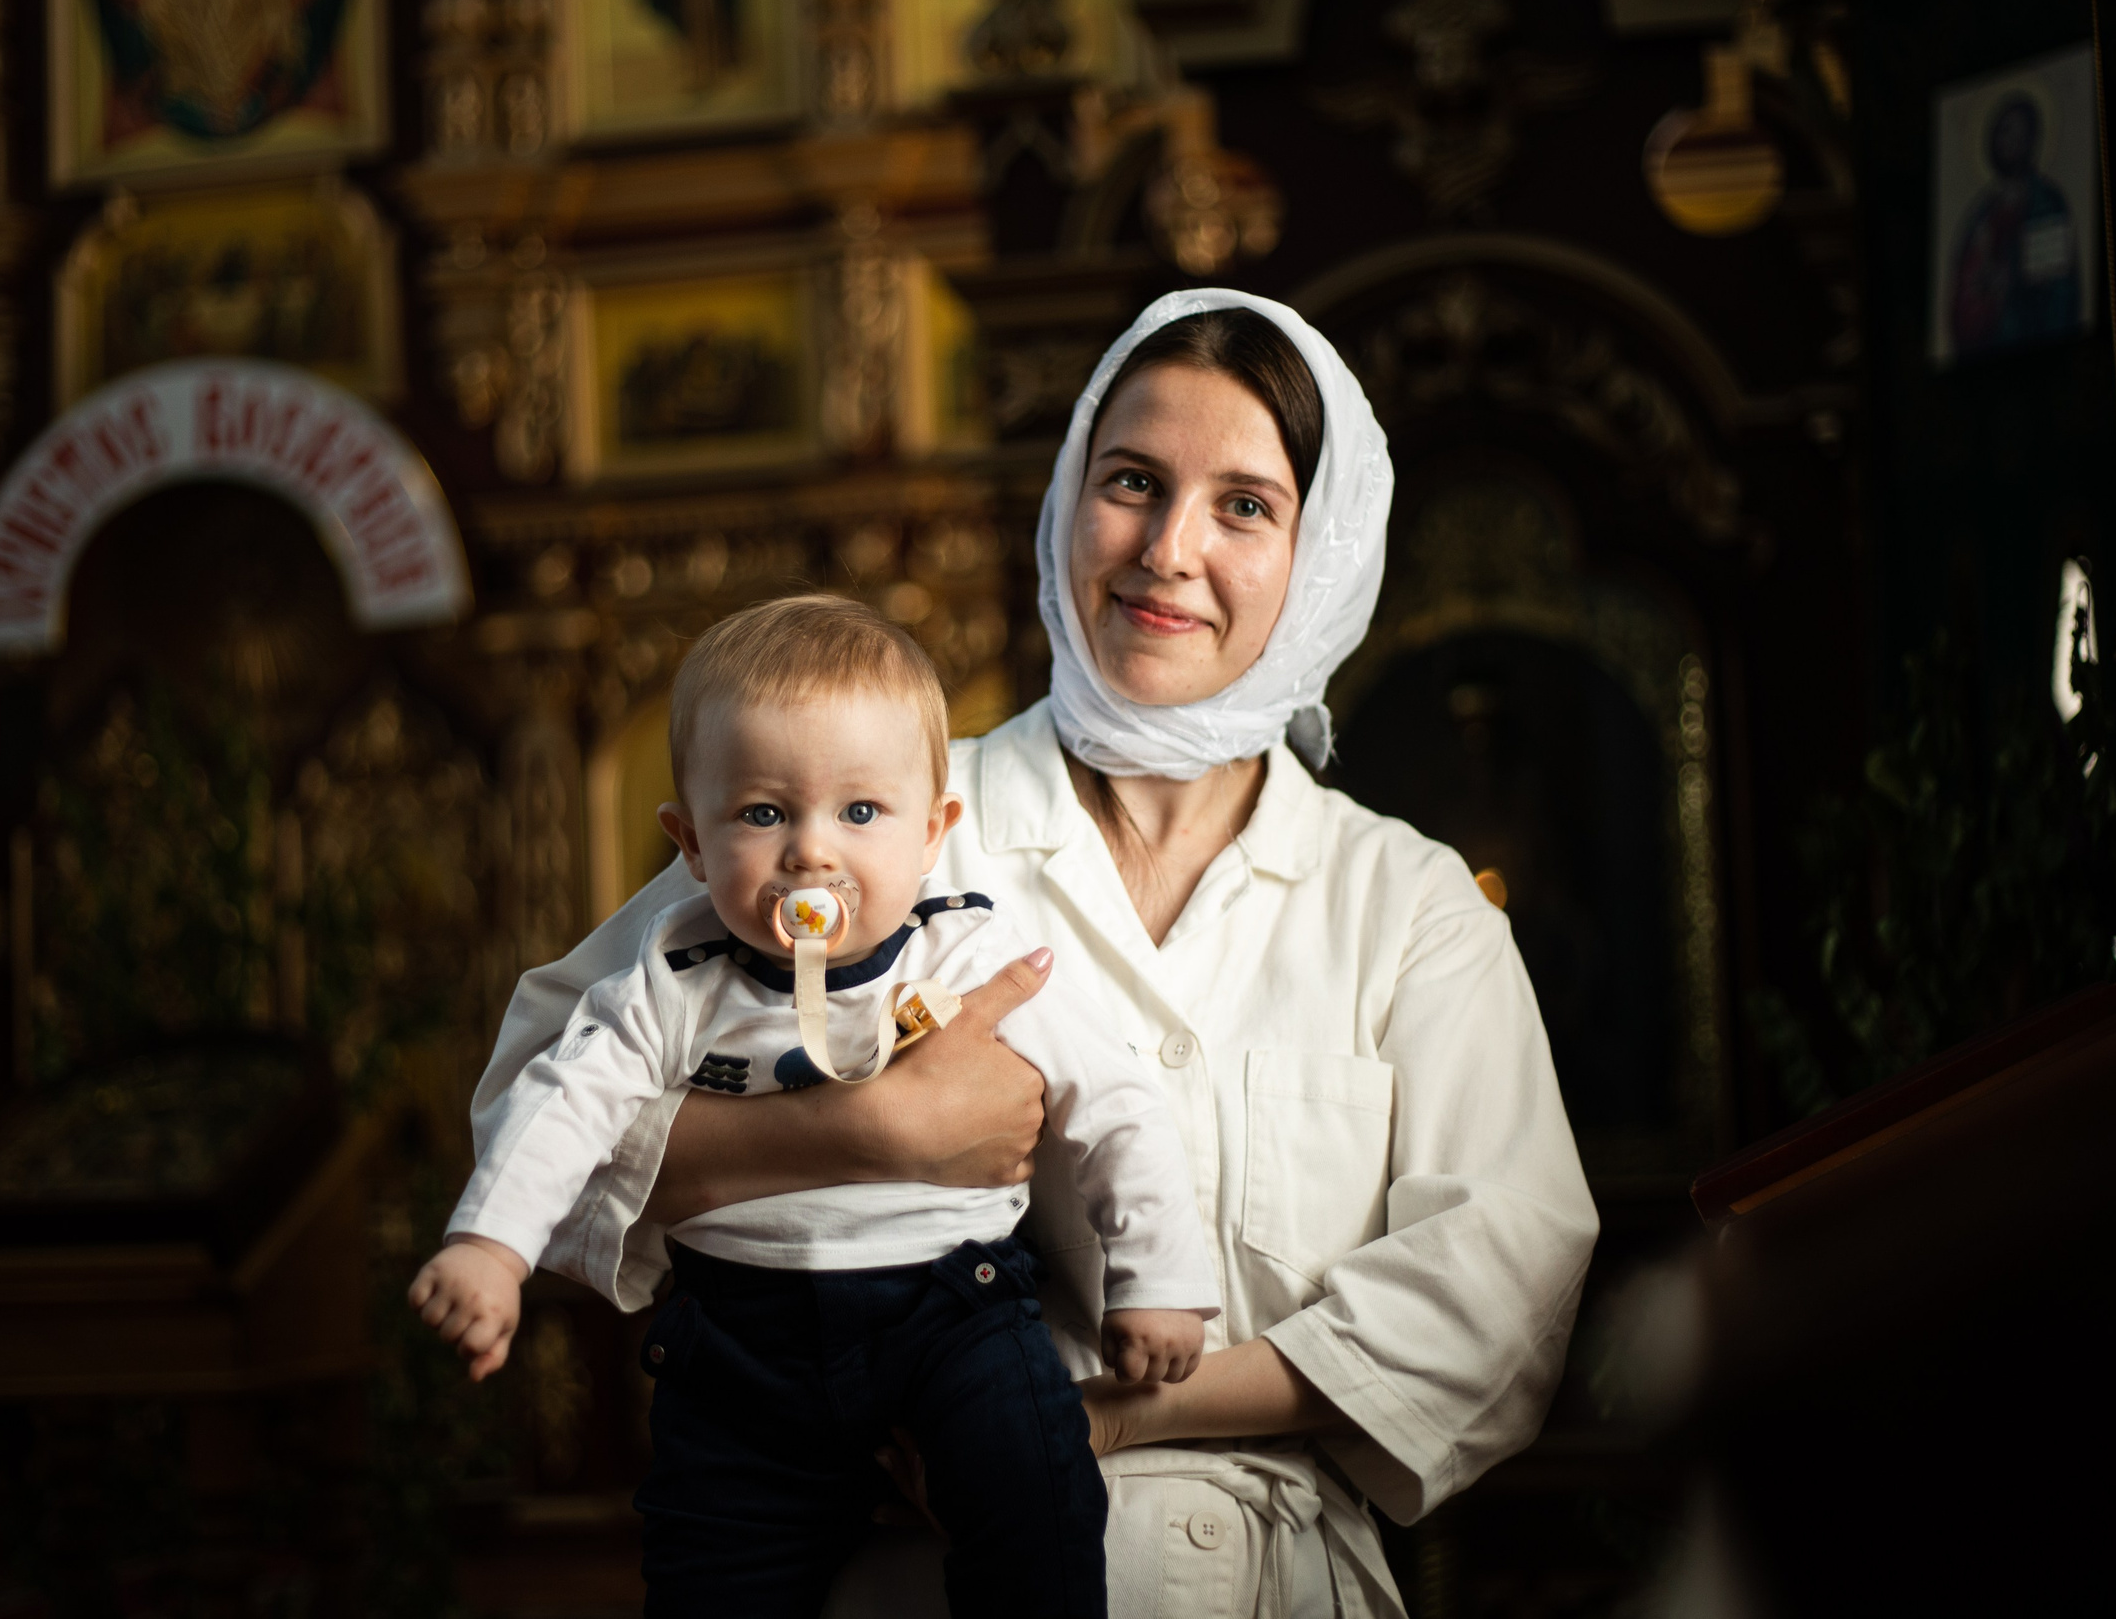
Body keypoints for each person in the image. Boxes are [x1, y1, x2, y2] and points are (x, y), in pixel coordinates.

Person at [472, 289, 1601, 1615]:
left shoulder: (1406, 905)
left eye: (1243, 505)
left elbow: (1498, 1291)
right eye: (1132, 482)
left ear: (1324, 553)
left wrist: (1105, 1415)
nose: (1167, 549)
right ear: (1069, 495)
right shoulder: (871, 815)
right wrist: (863, 1133)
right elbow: (527, 1100)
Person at [412, 594, 1219, 1618]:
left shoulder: (971, 955)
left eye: (860, 812)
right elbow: (561, 1104)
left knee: (1037, 1505)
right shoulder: (670, 979)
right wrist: (491, 1247)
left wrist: (1158, 1281)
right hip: (739, 1342)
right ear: (690, 843)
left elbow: (1117, 1104)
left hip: (955, 1312)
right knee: (711, 1565)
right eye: (762, 814)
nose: (811, 852)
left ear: (933, 833)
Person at [1948, 91, 2081, 357]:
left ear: (2031, 141)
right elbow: (1966, 280)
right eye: (2006, 132)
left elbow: (2054, 281)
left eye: (2021, 134)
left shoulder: (2045, 202)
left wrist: (2010, 279)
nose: (2011, 142)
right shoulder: (1982, 211)